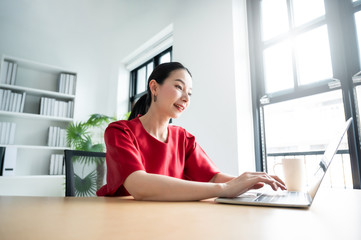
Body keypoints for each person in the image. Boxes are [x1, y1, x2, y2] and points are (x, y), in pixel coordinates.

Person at [96, 62, 286, 200]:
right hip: (122, 220)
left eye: (190, 93)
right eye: (179, 87)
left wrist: (252, 182)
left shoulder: (183, 138)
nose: (186, 98)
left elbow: (213, 177)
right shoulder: (120, 131)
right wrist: (225, 188)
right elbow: (139, 185)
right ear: (154, 87)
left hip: (167, 218)